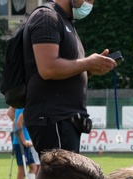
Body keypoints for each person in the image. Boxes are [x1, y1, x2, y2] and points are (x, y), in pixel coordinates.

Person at [23, 0, 115, 154]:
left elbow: (65, 70)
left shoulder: (65, 21)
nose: (90, 3)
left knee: (64, 170)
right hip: (54, 118)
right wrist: (88, 63)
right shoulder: (46, 17)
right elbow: (48, 69)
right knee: (62, 170)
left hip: (64, 119)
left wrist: (90, 69)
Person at [8, 106, 40, 179]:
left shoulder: (20, 108)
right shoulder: (24, 108)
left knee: (33, 167)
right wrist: (23, 140)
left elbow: (15, 122)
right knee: (22, 169)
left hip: (23, 142)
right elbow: (18, 123)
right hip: (21, 143)